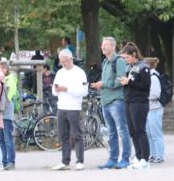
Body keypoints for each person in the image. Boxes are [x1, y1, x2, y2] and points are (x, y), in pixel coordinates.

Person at [91, 36, 133, 169]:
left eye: (106, 45)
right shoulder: (105, 62)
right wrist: (100, 85)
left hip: (116, 101)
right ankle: (113, 159)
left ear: (113, 47)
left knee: (122, 130)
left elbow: (121, 81)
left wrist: (104, 83)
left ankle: (125, 159)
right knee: (111, 132)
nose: (103, 47)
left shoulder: (119, 61)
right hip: (105, 101)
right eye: (102, 45)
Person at [50, 49, 88, 171]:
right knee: (63, 135)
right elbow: (53, 91)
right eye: (61, 62)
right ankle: (65, 161)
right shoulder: (59, 72)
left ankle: (80, 161)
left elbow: (84, 91)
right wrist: (56, 89)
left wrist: (67, 89)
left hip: (74, 107)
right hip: (61, 106)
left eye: (65, 62)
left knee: (77, 134)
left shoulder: (80, 72)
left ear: (71, 59)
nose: (63, 64)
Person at [117, 43, 151, 169]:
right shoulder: (129, 67)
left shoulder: (143, 67)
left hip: (140, 102)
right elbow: (130, 83)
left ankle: (145, 158)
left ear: (134, 55)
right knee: (132, 131)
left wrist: (129, 82)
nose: (126, 60)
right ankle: (138, 156)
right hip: (129, 101)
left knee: (140, 130)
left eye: (127, 57)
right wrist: (124, 82)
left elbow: (146, 86)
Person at [144, 57, 166, 165]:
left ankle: (160, 155)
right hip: (149, 109)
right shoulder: (149, 77)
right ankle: (153, 154)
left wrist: (143, 97)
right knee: (149, 133)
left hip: (155, 109)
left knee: (156, 133)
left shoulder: (153, 78)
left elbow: (155, 94)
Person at [0, 61, 18, 170]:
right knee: (1, 139)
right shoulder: (0, 80)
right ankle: (4, 160)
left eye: (1, 69)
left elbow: (9, 96)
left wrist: (3, 104)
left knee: (8, 139)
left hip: (6, 114)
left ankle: (11, 161)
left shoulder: (10, 80)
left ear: (5, 69)